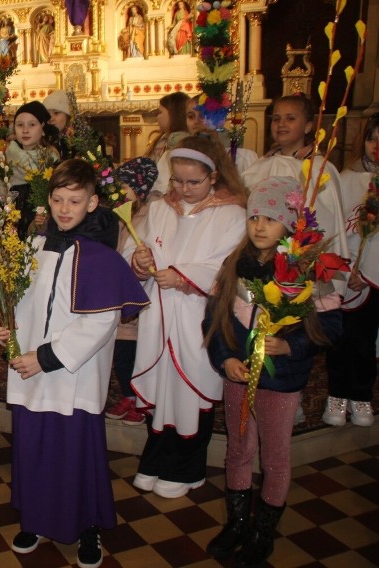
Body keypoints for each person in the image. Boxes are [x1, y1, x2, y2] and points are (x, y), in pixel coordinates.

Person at [0, 159, 148, 567]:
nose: (64, 208)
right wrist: (5, 329)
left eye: (74, 200)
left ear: (92, 202)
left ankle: (86, 527)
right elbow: (19, 301)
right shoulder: (32, 247)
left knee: (75, 451)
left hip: (71, 374)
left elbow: (100, 324)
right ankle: (35, 518)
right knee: (32, 447)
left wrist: (45, 358)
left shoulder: (101, 257)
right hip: (28, 367)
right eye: (57, 199)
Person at [203, 177, 342, 565]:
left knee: (276, 456)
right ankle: (238, 521)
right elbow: (214, 320)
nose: (259, 226)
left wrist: (290, 345)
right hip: (241, 375)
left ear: (291, 225)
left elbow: (330, 329)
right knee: (239, 449)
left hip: (282, 381)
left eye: (271, 218)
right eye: (254, 218)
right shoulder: (235, 265)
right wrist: (226, 358)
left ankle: (263, 531)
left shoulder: (306, 270)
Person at [127, 133, 248, 498]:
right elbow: (142, 242)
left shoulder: (232, 214)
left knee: (190, 388)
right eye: (177, 180)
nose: (183, 188)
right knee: (162, 386)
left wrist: (184, 277)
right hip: (160, 315)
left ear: (214, 175)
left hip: (198, 316)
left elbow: (228, 266)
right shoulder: (164, 207)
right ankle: (156, 458)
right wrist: (140, 261)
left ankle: (187, 467)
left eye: (193, 182)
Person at [242, 95, 349, 280]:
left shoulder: (319, 169)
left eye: (290, 118)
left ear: (308, 126)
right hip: (257, 263)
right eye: (276, 119)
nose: (281, 124)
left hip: (298, 267)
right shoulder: (258, 166)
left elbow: (328, 221)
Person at [325, 114, 379, 427]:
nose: (377, 147)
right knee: (339, 337)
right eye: (373, 139)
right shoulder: (346, 177)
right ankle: (336, 394)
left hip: (372, 278)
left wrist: (369, 268)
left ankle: (360, 396)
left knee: (363, 338)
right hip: (345, 272)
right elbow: (336, 225)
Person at [104, 157, 159, 425]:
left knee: (139, 352)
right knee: (122, 352)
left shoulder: (153, 214)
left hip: (142, 295)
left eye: (124, 186)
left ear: (140, 188)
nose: (118, 191)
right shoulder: (122, 213)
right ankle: (127, 393)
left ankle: (142, 398)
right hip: (120, 294)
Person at [5, 101, 60, 238]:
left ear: (42, 128)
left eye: (32, 124)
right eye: (20, 125)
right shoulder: (6, 154)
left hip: (39, 221)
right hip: (13, 220)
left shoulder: (50, 157)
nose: (25, 130)